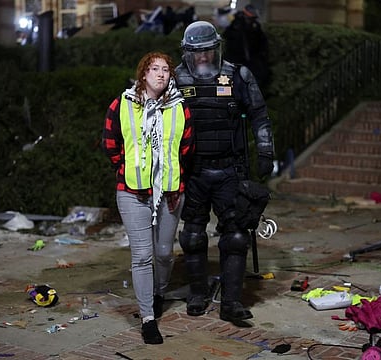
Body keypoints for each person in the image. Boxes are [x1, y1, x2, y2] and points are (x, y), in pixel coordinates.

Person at [175, 21, 274, 325]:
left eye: (207, 51)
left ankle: (231, 303)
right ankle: (197, 293)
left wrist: (266, 150)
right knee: (192, 235)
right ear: (188, 53)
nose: (203, 57)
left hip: (231, 170)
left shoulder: (238, 76)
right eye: (197, 52)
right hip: (193, 171)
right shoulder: (175, 79)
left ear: (216, 50)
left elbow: (259, 115)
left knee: (235, 236)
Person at [102, 52, 194, 344]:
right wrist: (127, 168)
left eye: (166, 70)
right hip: (133, 191)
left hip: (169, 192)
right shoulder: (123, 103)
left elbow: (187, 148)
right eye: (155, 69)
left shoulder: (180, 108)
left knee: (164, 252)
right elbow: (110, 142)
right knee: (142, 256)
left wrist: (172, 177)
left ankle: (158, 292)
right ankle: (148, 318)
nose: (161, 74)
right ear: (143, 73)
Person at [223, 4, 270, 90]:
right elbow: (228, 37)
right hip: (236, 59)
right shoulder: (236, 24)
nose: (251, 21)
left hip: (252, 61)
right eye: (249, 19)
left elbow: (262, 42)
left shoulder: (255, 26)